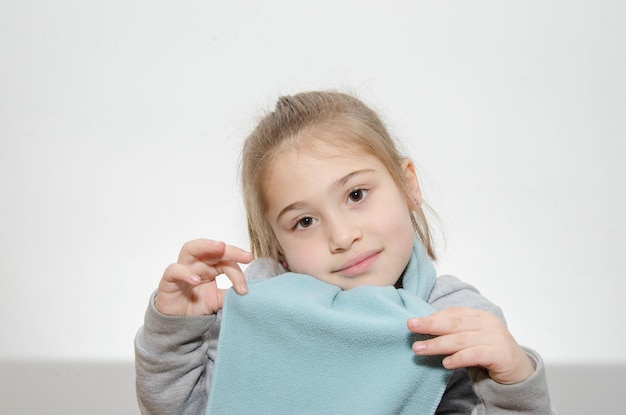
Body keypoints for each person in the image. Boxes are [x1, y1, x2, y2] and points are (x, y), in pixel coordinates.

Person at [135, 91, 555, 414]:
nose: (341, 236)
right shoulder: (253, 303)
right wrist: (175, 332)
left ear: (408, 184)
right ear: (276, 241)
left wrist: (513, 380)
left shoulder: (455, 320)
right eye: (304, 222)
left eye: (356, 194)